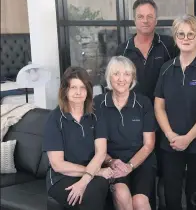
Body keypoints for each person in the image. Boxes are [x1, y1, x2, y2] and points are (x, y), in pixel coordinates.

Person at [154, 14, 196, 210]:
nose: (186, 38)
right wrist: (170, 135)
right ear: (175, 37)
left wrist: (188, 138)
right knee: (171, 195)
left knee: (195, 195)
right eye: (181, 34)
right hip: (171, 144)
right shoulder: (166, 69)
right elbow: (159, 107)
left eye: (191, 34)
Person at [43, 66, 112, 210]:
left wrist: (85, 179)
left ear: (88, 91)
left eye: (83, 87)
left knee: (96, 189)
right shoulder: (54, 119)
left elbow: (101, 153)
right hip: (61, 177)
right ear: (65, 90)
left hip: (91, 172)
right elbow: (58, 165)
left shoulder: (96, 115)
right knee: (88, 197)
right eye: (73, 87)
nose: (78, 92)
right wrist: (97, 172)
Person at [94, 56, 156, 210]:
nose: (121, 79)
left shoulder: (143, 103)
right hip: (112, 161)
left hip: (141, 161)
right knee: (122, 195)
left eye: (127, 74)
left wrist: (130, 166)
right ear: (109, 77)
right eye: (116, 74)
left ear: (132, 78)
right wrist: (111, 161)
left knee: (140, 202)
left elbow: (149, 144)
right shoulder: (98, 103)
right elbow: (94, 142)